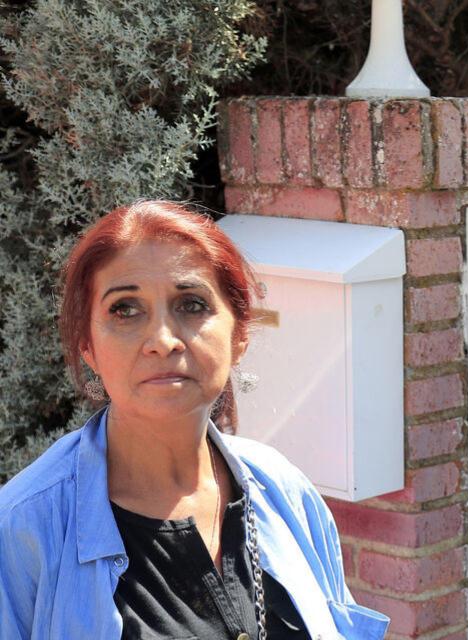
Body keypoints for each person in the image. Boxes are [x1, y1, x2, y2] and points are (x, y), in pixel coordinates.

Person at [0, 201, 389, 639]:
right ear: (88, 346)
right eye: (125, 309)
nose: (163, 341)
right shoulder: (23, 529)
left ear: (239, 334)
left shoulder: (283, 490)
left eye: (191, 304)